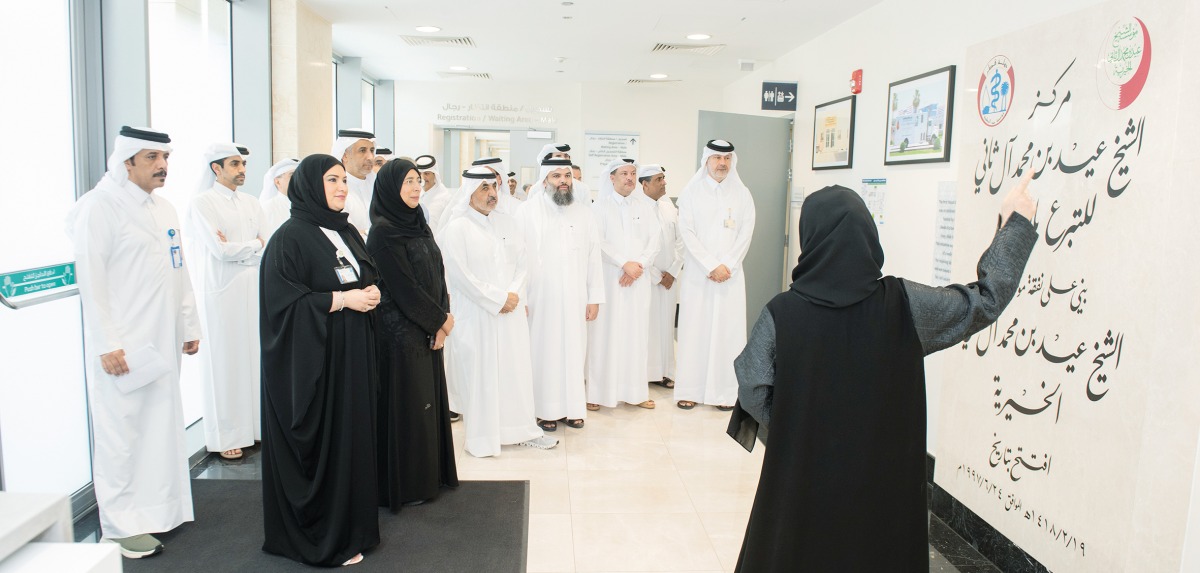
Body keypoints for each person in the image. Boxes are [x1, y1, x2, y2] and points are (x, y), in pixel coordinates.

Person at [729, 177, 1038, 572]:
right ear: (867, 237)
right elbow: (985, 300)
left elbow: (752, 385)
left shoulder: (782, 313)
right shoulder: (906, 305)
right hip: (881, 489)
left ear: (810, 238)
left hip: (802, 483)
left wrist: (797, 427)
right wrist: (1014, 224)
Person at [66, 126, 201, 559]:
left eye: (166, 159)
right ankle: (121, 527)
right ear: (126, 163)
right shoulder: (99, 207)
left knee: (158, 425)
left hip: (161, 341)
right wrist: (107, 342)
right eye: (151, 159)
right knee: (120, 432)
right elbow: (92, 279)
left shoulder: (164, 209)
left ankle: (159, 512)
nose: (162, 167)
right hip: (123, 347)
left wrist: (189, 325)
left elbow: (179, 271)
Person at [259, 154, 381, 567]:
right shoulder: (289, 239)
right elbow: (282, 305)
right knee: (328, 442)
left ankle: (355, 527)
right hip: (319, 362)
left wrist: (371, 290)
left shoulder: (344, 230)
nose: (342, 187)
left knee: (353, 441)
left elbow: (363, 273)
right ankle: (322, 533)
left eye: (344, 180)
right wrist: (341, 300)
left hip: (352, 355)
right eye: (332, 180)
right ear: (310, 185)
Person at [440, 166, 558, 456]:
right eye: (484, 188)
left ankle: (521, 431)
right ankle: (483, 440)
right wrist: (497, 299)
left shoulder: (508, 223)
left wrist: (512, 294)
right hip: (477, 316)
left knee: (514, 373)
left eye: (494, 187)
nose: (492, 194)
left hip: (511, 313)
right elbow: (460, 276)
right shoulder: (456, 229)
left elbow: (523, 262)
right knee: (482, 378)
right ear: (469, 193)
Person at [367, 158, 459, 509]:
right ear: (391, 187)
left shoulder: (419, 224)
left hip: (428, 328)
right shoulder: (383, 231)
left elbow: (437, 272)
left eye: (418, 181)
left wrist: (443, 317)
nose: (416, 187)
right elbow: (403, 288)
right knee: (409, 408)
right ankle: (408, 485)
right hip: (401, 335)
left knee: (428, 405)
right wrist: (438, 322)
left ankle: (430, 476)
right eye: (408, 182)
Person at [185, 143, 264, 460]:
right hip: (221, 292)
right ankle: (225, 436)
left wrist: (242, 246)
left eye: (243, 163)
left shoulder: (252, 202)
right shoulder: (202, 203)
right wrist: (251, 245)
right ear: (216, 169)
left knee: (254, 359)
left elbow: (266, 244)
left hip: (252, 287)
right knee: (225, 363)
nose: (241, 169)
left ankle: (256, 429)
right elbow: (219, 251)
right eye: (234, 164)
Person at [515, 157, 604, 431]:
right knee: (543, 352)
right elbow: (516, 258)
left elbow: (593, 257)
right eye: (556, 176)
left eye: (567, 175)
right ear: (545, 181)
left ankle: (573, 408)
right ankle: (545, 411)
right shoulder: (526, 213)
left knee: (575, 350)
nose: (563, 180)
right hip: (540, 298)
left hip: (575, 297)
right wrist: (521, 296)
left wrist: (594, 297)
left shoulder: (584, 213)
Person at [675, 139, 755, 410]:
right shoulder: (691, 192)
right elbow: (686, 233)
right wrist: (710, 265)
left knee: (728, 333)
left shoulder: (742, 193)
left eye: (727, 158)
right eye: (717, 158)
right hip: (700, 275)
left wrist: (728, 265)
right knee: (694, 330)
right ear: (706, 160)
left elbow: (746, 232)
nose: (722, 163)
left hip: (730, 276)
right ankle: (690, 391)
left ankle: (726, 393)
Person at [585, 158, 661, 411]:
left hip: (638, 281)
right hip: (610, 279)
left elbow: (654, 241)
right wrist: (623, 263)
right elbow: (599, 242)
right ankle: (597, 393)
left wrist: (637, 265)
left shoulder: (645, 207)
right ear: (611, 178)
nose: (629, 178)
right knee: (605, 335)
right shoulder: (600, 207)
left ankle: (636, 393)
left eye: (632, 173)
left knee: (636, 335)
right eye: (624, 173)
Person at [639, 164, 684, 389]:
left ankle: (666, 372)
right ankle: (646, 374)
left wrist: (673, 271)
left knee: (666, 326)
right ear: (645, 185)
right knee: (647, 326)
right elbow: (638, 250)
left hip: (669, 281)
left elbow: (681, 241)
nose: (664, 182)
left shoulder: (669, 209)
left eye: (664, 178)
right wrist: (656, 275)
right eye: (659, 179)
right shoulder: (636, 210)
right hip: (646, 280)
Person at [330, 128, 376, 234]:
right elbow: (344, 232)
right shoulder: (334, 189)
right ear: (345, 155)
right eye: (362, 150)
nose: (370, 157)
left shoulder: (378, 184)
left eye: (372, 151)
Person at [258, 158, 298, 240]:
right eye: (292, 175)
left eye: (299, 175)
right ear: (277, 182)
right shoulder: (267, 208)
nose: (298, 179)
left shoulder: (307, 205)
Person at [415, 154, 451, 231]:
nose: (423, 177)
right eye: (419, 174)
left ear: (434, 174)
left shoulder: (445, 197)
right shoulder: (415, 193)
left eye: (426, 173)